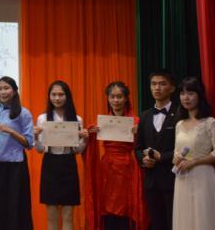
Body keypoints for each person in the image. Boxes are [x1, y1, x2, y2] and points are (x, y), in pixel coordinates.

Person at [85, 81, 148, 230]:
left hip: (128, 168)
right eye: (112, 97)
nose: (115, 100)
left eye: (119, 96)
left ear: (126, 98)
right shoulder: (101, 122)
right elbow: (87, 143)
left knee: (127, 205)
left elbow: (144, 145)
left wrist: (139, 133)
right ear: (107, 98)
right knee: (107, 205)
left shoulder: (136, 121)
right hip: (107, 169)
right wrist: (89, 133)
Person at [172, 76, 215, 230]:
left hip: (203, 176)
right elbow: (177, 150)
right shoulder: (179, 124)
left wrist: (195, 162)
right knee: (185, 217)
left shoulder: (210, 122)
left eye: (190, 93)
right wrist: (176, 159)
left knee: (204, 215)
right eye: (182, 93)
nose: (186, 98)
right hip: (182, 176)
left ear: (199, 96)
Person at [33, 80, 88, 230]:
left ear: (67, 96)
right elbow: (40, 149)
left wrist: (85, 139)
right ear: (49, 96)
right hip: (50, 164)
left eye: (61, 94)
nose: (57, 98)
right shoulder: (42, 118)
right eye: (54, 94)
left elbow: (78, 150)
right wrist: (35, 137)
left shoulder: (77, 119)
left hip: (69, 164)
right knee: (51, 215)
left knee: (68, 215)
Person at [135, 69, 177, 230]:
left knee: (175, 223)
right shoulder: (144, 116)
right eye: (153, 84)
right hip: (151, 181)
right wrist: (143, 160)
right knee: (157, 224)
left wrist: (162, 157)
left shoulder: (180, 114)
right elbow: (138, 148)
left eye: (162, 84)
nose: (157, 88)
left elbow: (186, 148)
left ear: (172, 88)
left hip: (174, 179)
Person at [0, 75, 34, 230]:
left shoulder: (24, 113)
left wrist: (10, 131)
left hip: (15, 166)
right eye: (0, 89)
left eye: (6, 88)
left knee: (15, 206)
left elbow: (29, 143)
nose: (3, 92)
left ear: (14, 91)